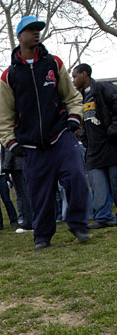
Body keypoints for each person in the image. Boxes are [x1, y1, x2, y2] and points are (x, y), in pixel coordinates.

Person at [0, 15, 90, 250]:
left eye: (39, 29)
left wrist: (73, 118)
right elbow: (4, 116)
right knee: (40, 195)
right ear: (19, 37)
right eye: (30, 29)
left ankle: (78, 223)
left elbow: (71, 97)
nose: (36, 33)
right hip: (30, 147)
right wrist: (11, 143)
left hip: (61, 136)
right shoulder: (9, 76)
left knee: (77, 177)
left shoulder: (54, 64)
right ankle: (42, 236)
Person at [72, 63, 117, 229]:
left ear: (85, 74)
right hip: (94, 150)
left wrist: (113, 129)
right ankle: (103, 216)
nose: (74, 80)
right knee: (98, 186)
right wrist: (84, 137)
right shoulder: (81, 97)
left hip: (110, 146)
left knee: (115, 183)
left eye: (76, 76)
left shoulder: (103, 88)